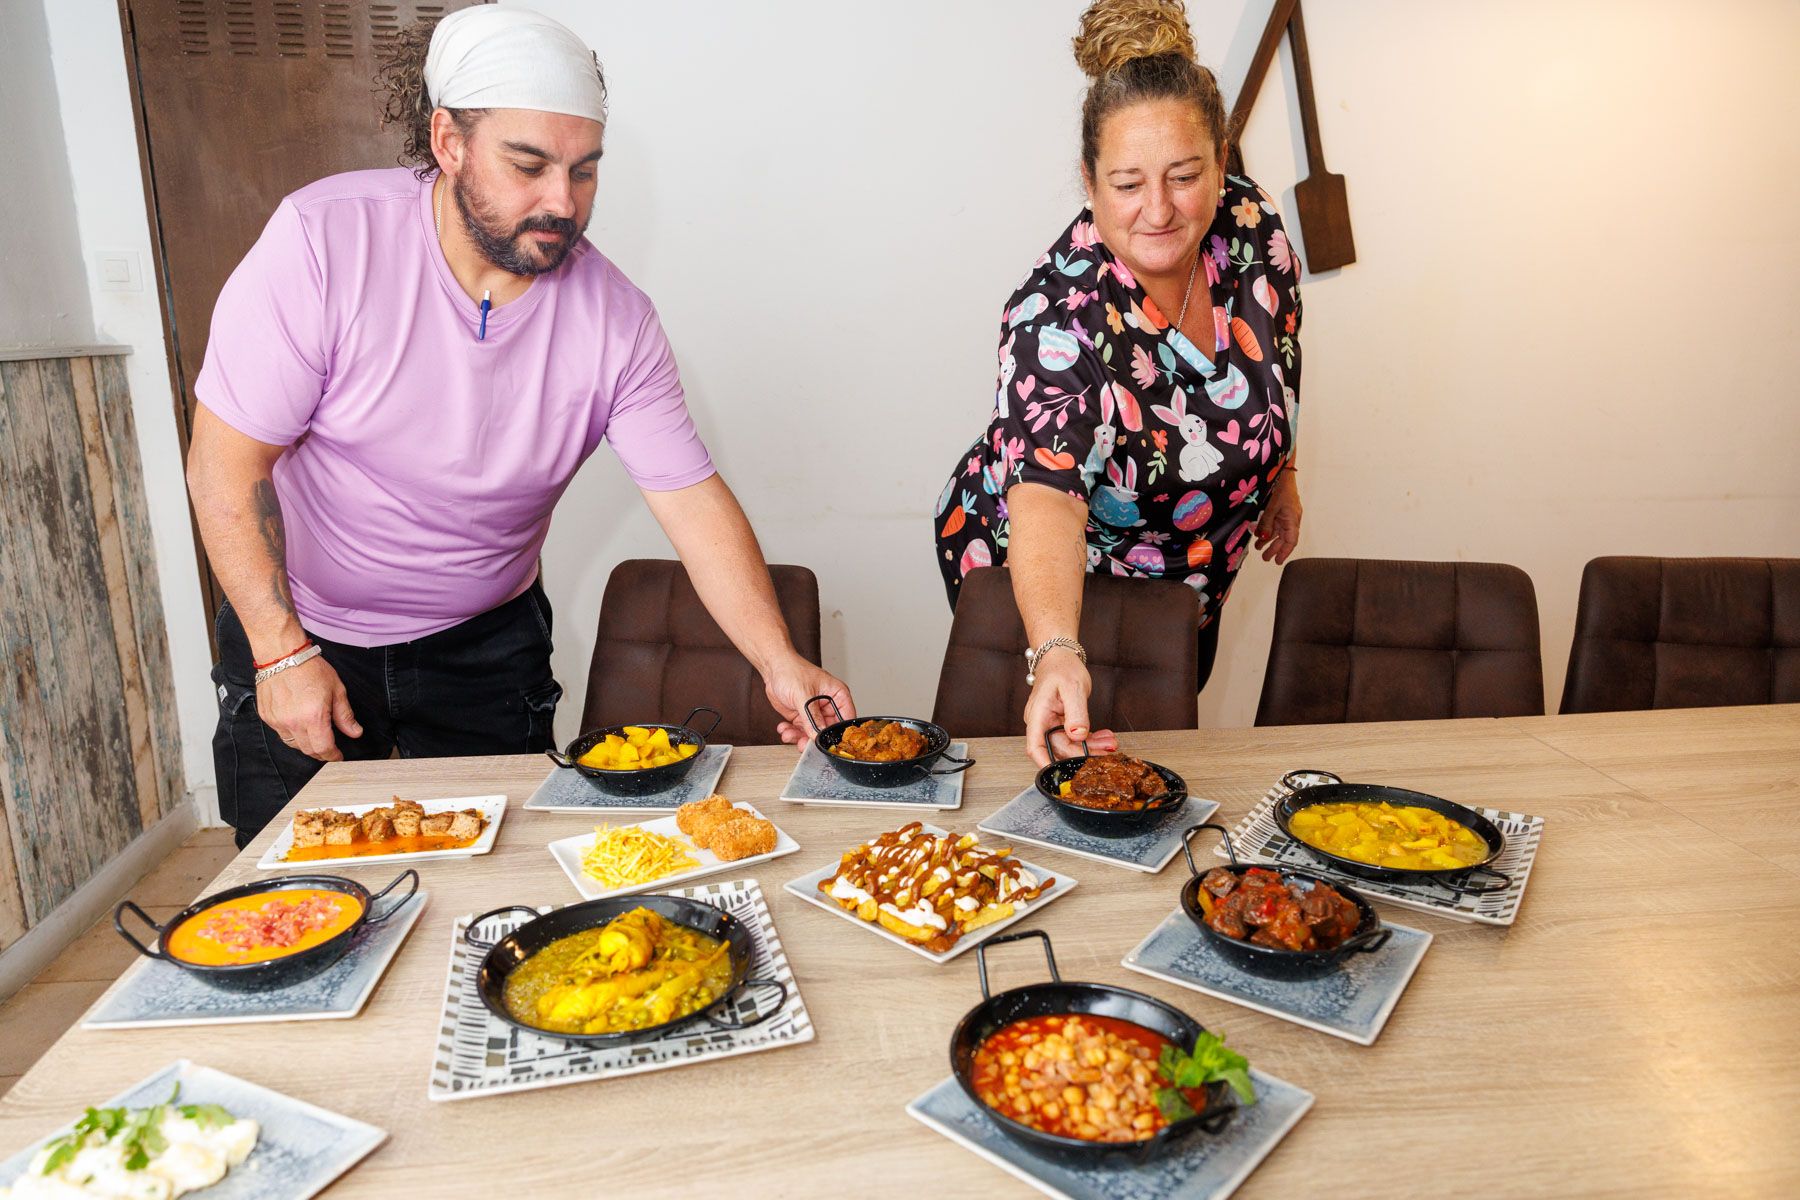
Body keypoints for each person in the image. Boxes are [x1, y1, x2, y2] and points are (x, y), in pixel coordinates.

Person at [188, 7, 853, 846]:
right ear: (449, 140)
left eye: (584, 171)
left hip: (484, 655)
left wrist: (777, 662)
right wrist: (280, 654)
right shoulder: (325, 243)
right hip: (299, 629)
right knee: (289, 901)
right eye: (529, 165)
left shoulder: (617, 321)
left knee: (492, 891)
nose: (561, 202)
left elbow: (690, 501)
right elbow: (223, 465)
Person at [934, 0, 1303, 766]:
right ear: (1089, 180)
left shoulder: (1253, 224)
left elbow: (1282, 350)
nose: (1160, 210)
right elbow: (1045, 503)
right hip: (1056, 573)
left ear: (1222, 156)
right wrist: (1057, 649)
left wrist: (1282, 471)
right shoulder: (1056, 318)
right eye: (1128, 184)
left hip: (1190, 563)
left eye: (1186, 175)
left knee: (1163, 767)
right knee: (1071, 774)